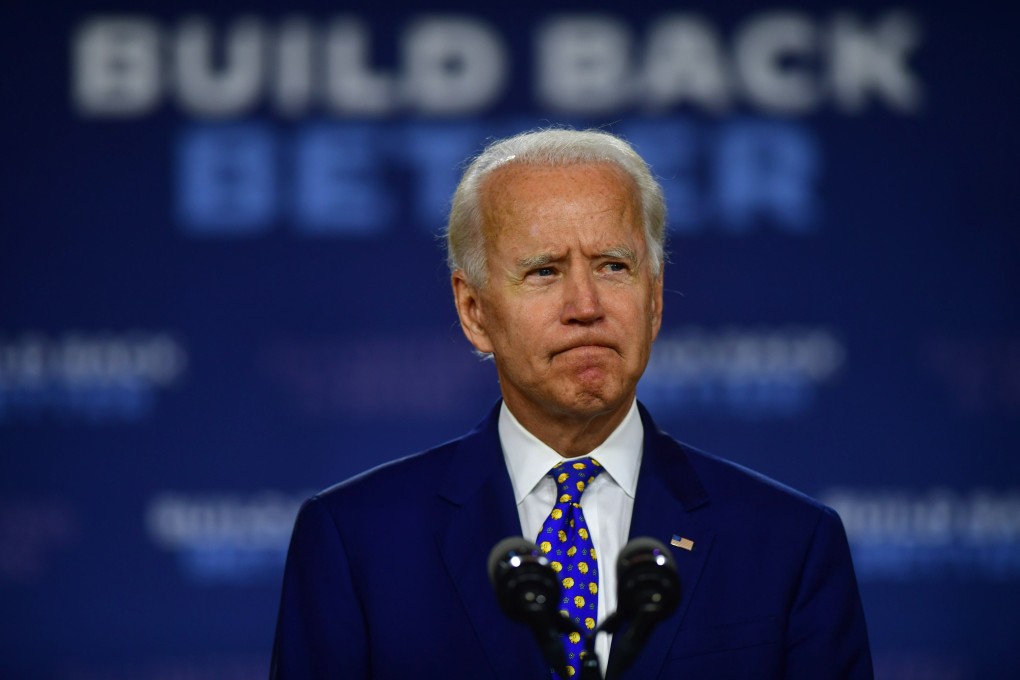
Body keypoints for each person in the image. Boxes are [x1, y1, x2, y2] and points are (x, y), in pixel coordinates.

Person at [270, 128, 873, 679]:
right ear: (474, 311)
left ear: (655, 299)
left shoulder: (788, 543)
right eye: (544, 272)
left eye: (613, 266)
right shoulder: (357, 541)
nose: (586, 305)